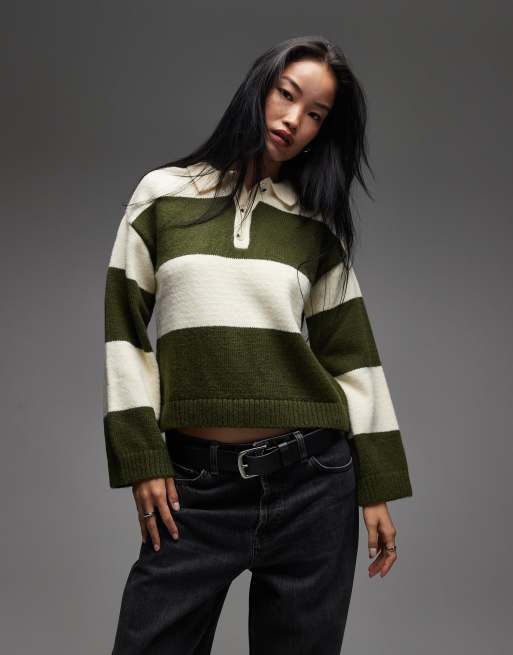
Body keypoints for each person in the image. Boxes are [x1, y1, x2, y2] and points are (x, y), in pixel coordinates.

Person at [103, 35, 413, 654]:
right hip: (195, 489)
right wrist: (143, 458)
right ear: (258, 89)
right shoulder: (162, 195)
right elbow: (124, 333)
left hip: (312, 484)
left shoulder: (315, 223)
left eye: (315, 114)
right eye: (286, 94)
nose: (294, 119)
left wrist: (376, 485)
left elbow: (352, 354)